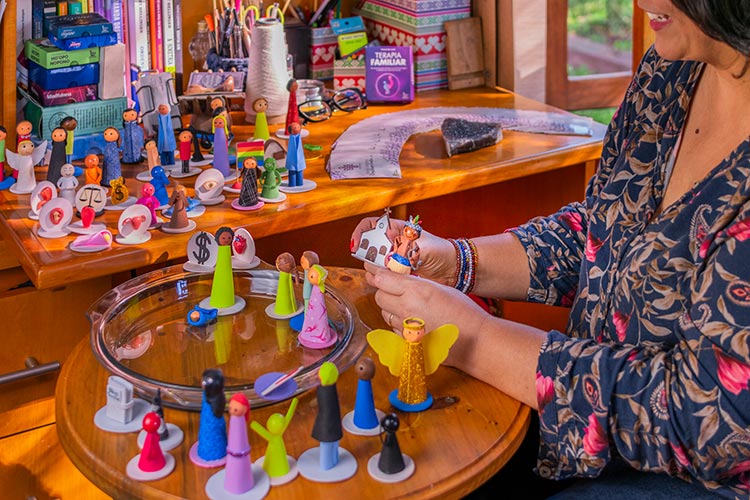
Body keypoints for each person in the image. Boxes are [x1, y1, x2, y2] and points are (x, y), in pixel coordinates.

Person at [351, 2, 750, 497]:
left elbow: (707, 419)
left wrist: (474, 338)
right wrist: (455, 260)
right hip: (580, 427)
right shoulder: (670, 69)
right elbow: (604, 232)